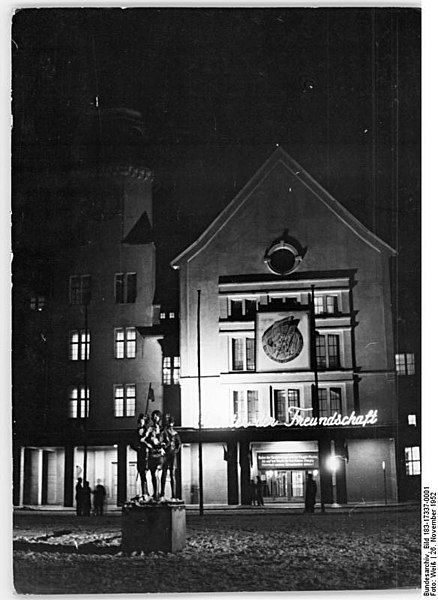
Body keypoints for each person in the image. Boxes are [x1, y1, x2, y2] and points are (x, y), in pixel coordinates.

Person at [145, 410, 166, 500]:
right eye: (154, 416)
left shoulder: (163, 429)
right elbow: (146, 439)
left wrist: (163, 445)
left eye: (157, 416)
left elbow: (166, 440)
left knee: (159, 473)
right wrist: (150, 441)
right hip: (152, 453)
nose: (155, 418)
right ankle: (155, 492)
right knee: (153, 473)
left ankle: (160, 493)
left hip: (160, 453)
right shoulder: (150, 429)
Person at [160, 414, 181, 499]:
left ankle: (173, 495)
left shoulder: (175, 433)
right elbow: (161, 441)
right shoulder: (164, 432)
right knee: (164, 473)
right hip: (166, 454)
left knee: (172, 474)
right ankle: (162, 494)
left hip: (172, 454)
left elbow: (179, 443)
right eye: (169, 422)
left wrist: (176, 450)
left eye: (171, 423)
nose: (170, 424)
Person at [134, 413, 150, 498]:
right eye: (140, 420)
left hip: (145, 453)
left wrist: (144, 441)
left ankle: (145, 492)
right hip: (140, 453)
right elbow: (134, 442)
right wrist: (137, 446)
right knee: (140, 471)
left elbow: (148, 441)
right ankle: (143, 492)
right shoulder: (137, 431)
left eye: (143, 420)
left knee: (144, 473)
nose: (141, 421)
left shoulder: (147, 431)